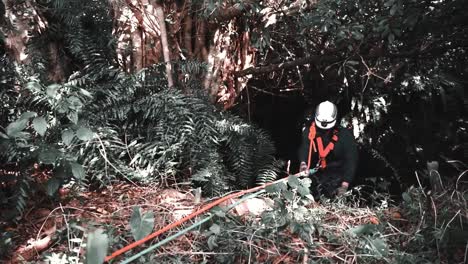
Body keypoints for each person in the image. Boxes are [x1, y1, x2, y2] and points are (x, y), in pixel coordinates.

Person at [298, 101, 358, 198]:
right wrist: (303, 163)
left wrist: (345, 185)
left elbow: (351, 160)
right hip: (316, 173)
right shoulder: (310, 131)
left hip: (338, 174)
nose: (324, 130)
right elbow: (305, 147)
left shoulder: (345, 136)